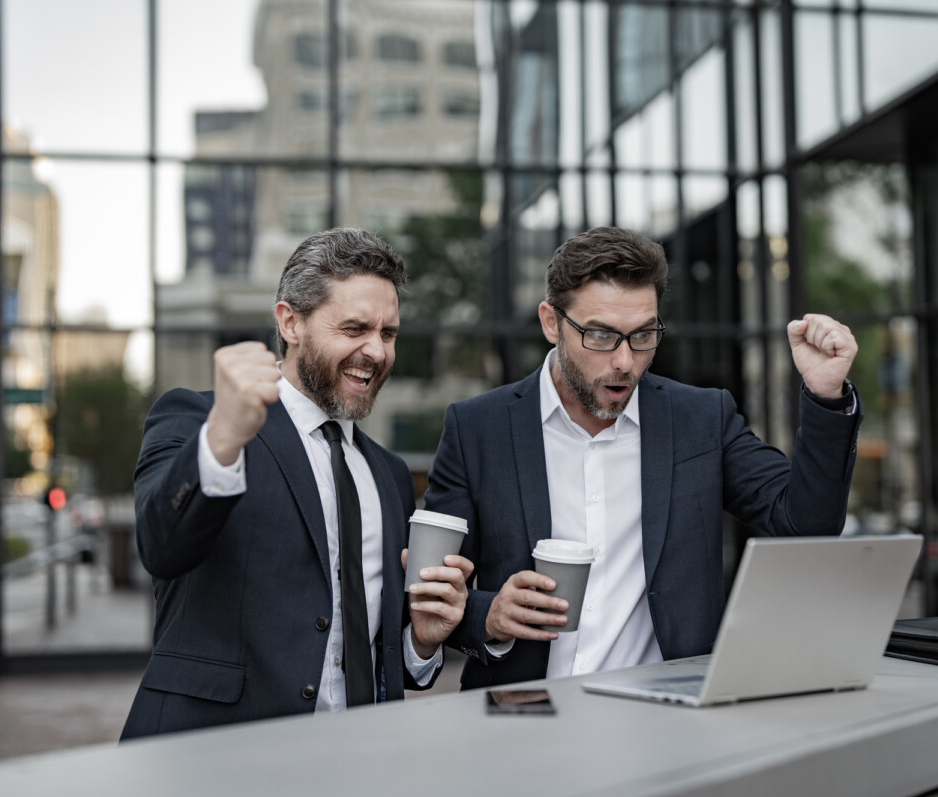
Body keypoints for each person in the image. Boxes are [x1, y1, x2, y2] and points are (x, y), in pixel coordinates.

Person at [423, 226, 861, 690]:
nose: (625, 362)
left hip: (667, 723)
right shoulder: (477, 429)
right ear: (551, 323)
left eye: (643, 335)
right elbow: (432, 589)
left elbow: (807, 523)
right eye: (601, 336)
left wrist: (825, 394)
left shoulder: (701, 419)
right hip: (522, 723)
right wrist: (488, 616)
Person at [121, 228, 472, 739]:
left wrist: (420, 642)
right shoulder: (200, 420)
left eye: (388, 334)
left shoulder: (390, 475)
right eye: (354, 328)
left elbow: (377, 650)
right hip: (209, 760)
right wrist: (221, 438)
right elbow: (161, 544)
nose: (375, 351)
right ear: (291, 323)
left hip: (358, 761)